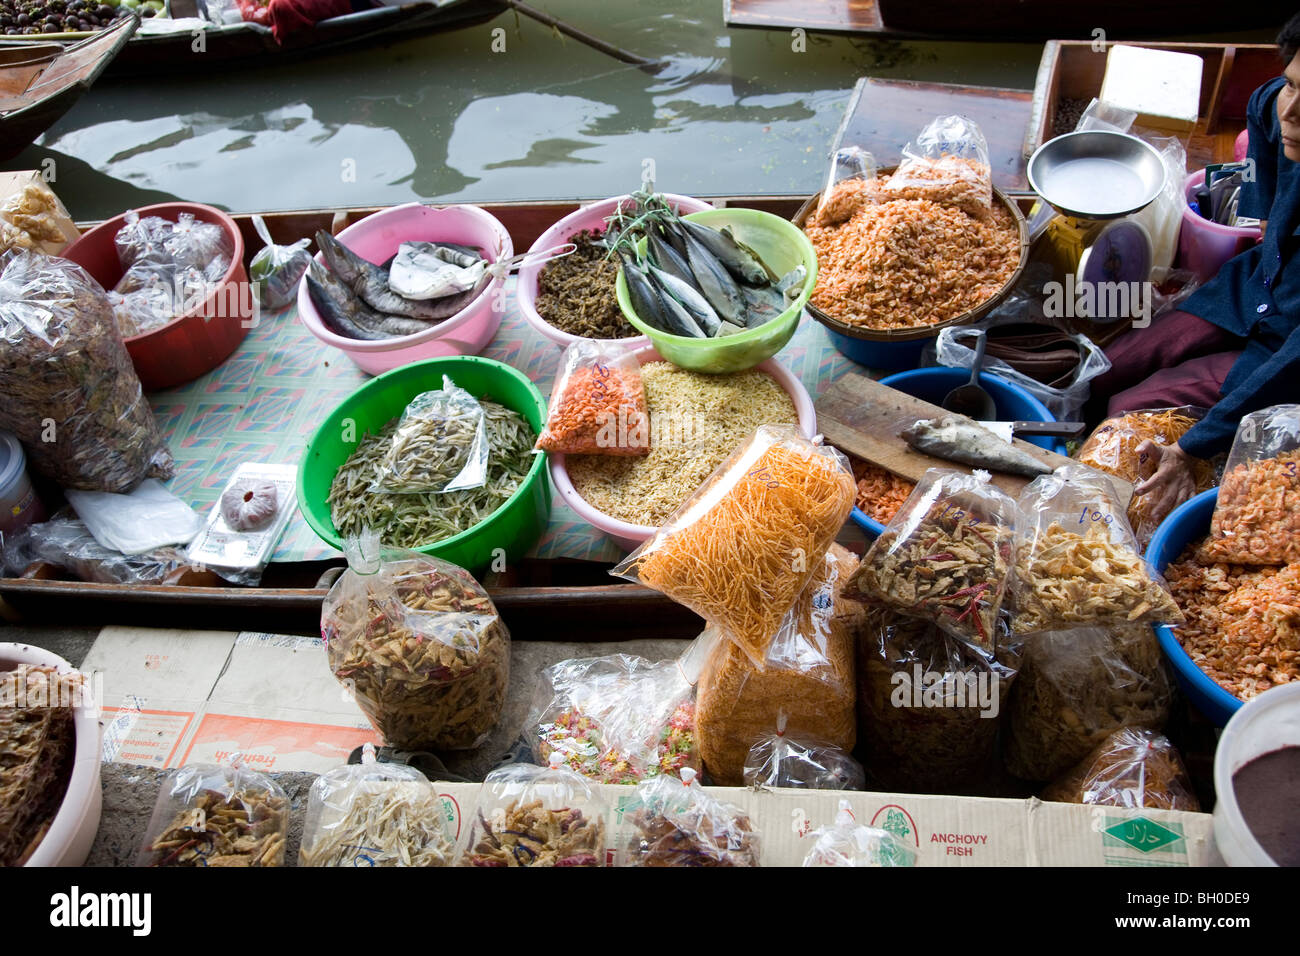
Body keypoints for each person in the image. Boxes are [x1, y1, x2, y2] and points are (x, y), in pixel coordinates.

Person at [1092, 13, 1300, 519]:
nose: (1292, 111)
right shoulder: (1276, 106)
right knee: (1103, 369)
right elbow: (1264, 130)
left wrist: (1191, 449)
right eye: (1295, 84)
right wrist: (1271, 221)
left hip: (1286, 351)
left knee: (1127, 410)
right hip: (1255, 286)